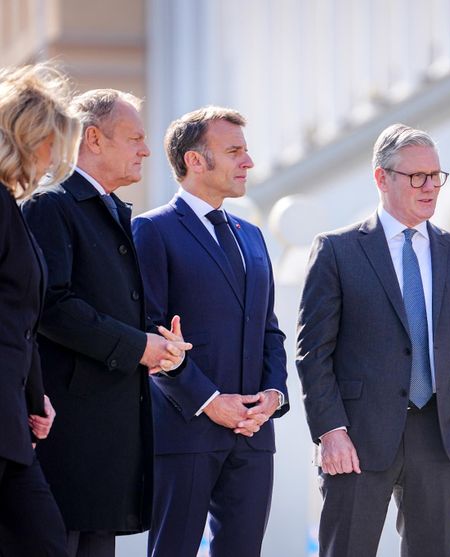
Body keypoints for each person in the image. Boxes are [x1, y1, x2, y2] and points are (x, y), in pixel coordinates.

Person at [297, 123, 450, 557]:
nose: (430, 187)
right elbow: (314, 353)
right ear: (381, 178)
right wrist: (330, 430)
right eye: (417, 177)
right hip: (356, 437)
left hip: (444, 434)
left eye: (436, 176)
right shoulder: (337, 250)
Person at [21, 89, 191, 557]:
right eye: (135, 137)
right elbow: (52, 305)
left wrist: (159, 343)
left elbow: (110, 305)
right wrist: (137, 347)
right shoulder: (51, 206)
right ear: (93, 139)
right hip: (69, 436)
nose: (146, 149)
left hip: (105, 438)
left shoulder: (111, 209)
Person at [132, 106, 290, 557]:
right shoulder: (151, 230)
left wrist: (273, 396)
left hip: (254, 432)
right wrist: (209, 401)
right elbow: (150, 333)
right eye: (234, 151)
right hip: (185, 431)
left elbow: (270, 330)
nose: (249, 162)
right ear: (195, 161)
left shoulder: (253, 235)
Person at [0, 62, 80, 556]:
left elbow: (19, 318)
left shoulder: (11, 208)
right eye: (52, 144)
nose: (54, 161)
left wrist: (34, 398)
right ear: (29, 138)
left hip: (11, 420)